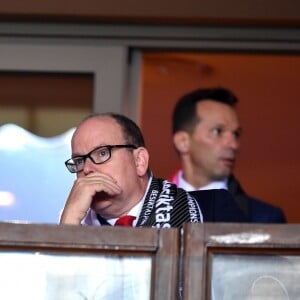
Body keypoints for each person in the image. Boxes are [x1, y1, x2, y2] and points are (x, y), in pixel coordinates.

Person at [60, 112, 204, 227]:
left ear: (139, 161)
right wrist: (69, 221)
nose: (86, 169)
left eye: (102, 153)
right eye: (79, 161)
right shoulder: (74, 220)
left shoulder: (210, 209)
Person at [169, 87, 286, 223]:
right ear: (183, 142)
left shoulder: (264, 218)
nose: (233, 145)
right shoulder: (143, 209)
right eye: (218, 131)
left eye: (236, 134)